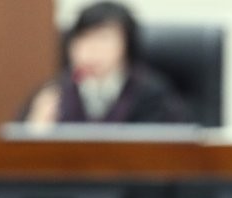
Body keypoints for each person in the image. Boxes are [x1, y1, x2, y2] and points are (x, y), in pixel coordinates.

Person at [19, 1, 191, 126]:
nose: (90, 49)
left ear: (127, 46)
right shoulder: (54, 92)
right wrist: (36, 129)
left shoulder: (152, 94)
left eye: (103, 39)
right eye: (83, 38)